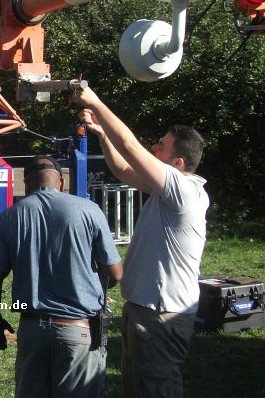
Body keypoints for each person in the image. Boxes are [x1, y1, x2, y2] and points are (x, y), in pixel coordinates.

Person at [72, 86, 208, 398]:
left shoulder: (184, 192)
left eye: (161, 145)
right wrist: (102, 135)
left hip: (161, 314)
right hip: (145, 309)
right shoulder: (168, 192)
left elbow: (131, 147)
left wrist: (95, 101)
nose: (153, 147)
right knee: (136, 386)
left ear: (178, 164)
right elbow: (123, 168)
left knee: (155, 389)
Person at [0, 155, 123, 398]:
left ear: (26, 184)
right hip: (77, 330)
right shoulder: (89, 210)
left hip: (31, 329)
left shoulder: (8, 217)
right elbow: (114, 273)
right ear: (62, 184)